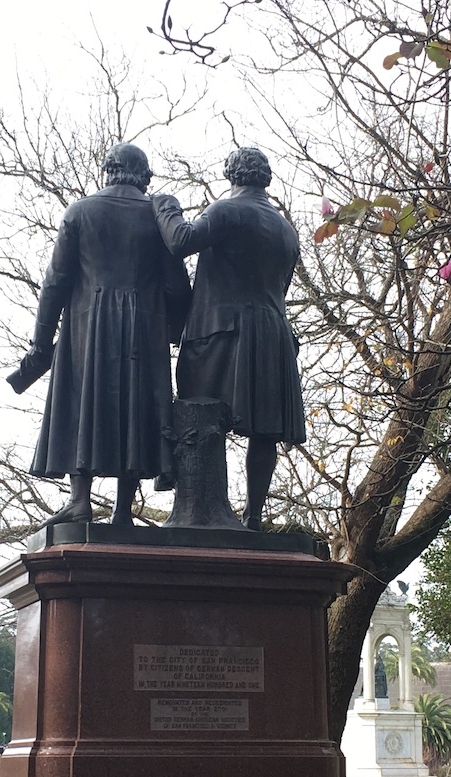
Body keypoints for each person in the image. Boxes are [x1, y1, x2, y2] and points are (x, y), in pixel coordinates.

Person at [7, 143, 191, 527]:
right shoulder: (158, 217)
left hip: (87, 329)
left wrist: (40, 343)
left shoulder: (80, 211)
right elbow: (177, 287)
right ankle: (124, 510)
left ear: (109, 171)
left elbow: (55, 283)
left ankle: (79, 500)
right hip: (144, 329)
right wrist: (175, 331)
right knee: (136, 407)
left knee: (81, 403)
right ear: (144, 175)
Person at [152, 147, 305, 530]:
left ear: (231, 175)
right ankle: (254, 517)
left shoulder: (227, 210)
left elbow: (180, 241)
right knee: (264, 428)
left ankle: (195, 510)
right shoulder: (287, 229)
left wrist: (165, 206)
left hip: (220, 332)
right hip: (272, 334)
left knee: (197, 413)